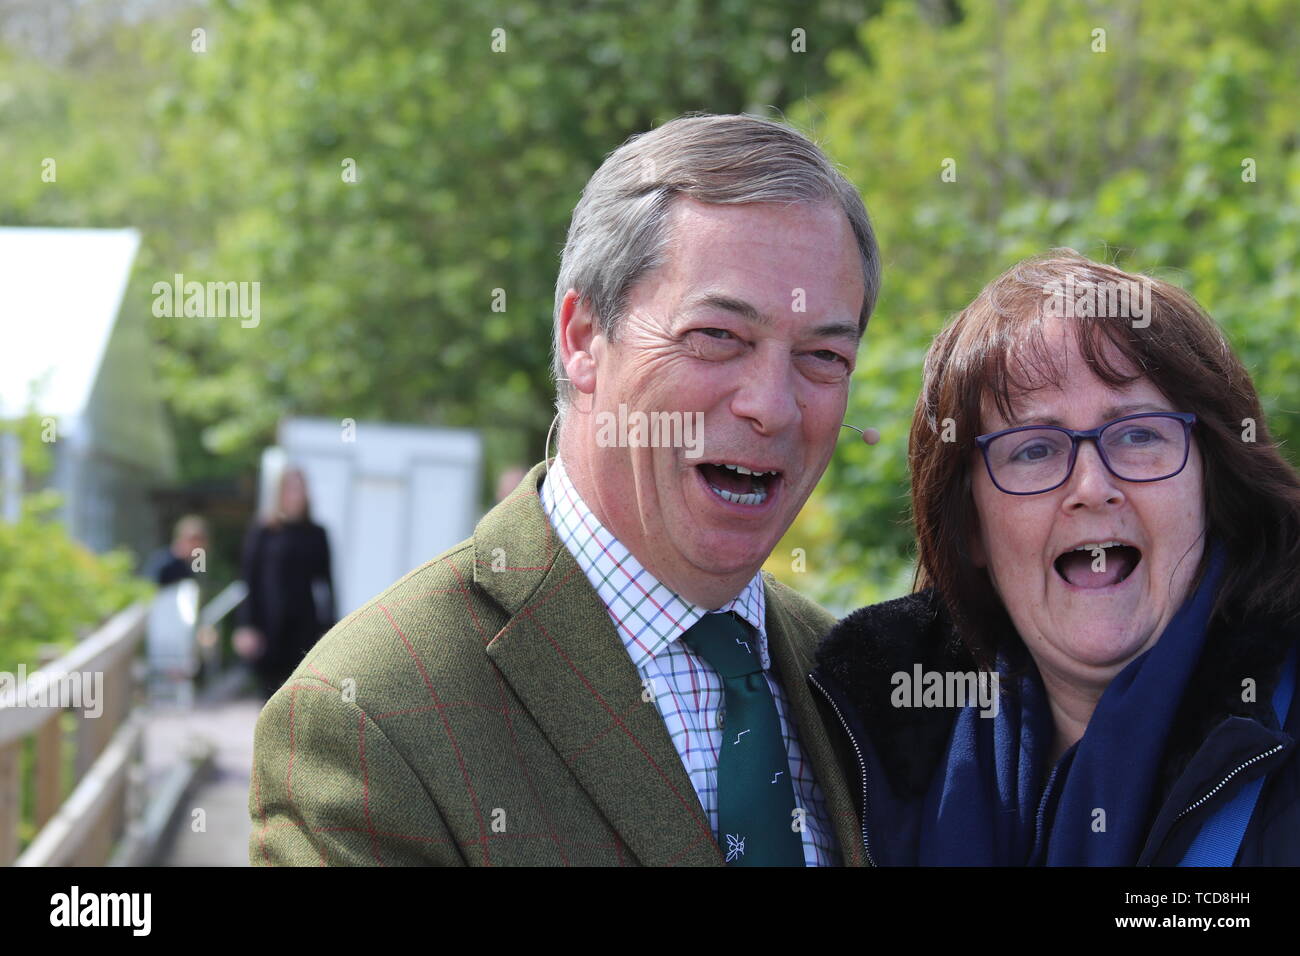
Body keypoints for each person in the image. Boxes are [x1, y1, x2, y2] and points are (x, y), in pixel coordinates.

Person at [248, 112, 882, 866]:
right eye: (718, 336)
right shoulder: (369, 718)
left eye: (822, 356)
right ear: (583, 339)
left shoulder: (854, 682)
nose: (772, 405)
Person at [812, 250, 1300, 865]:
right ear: (971, 529)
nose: (1092, 487)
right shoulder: (850, 756)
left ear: (1212, 484)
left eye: (1139, 434)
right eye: (1033, 450)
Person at [233, 464, 336, 700]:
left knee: (299, 694)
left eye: (299, 488)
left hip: (304, 625)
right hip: (268, 626)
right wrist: (246, 625)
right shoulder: (263, 532)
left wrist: (329, 627)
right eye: (289, 489)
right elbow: (249, 581)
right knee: (268, 696)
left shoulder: (317, 533)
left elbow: (327, 584)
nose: (294, 494)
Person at [143, 514, 208, 586]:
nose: (197, 546)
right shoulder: (162, 561)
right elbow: (147, 589)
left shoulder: (188, 568)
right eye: (193, 540)